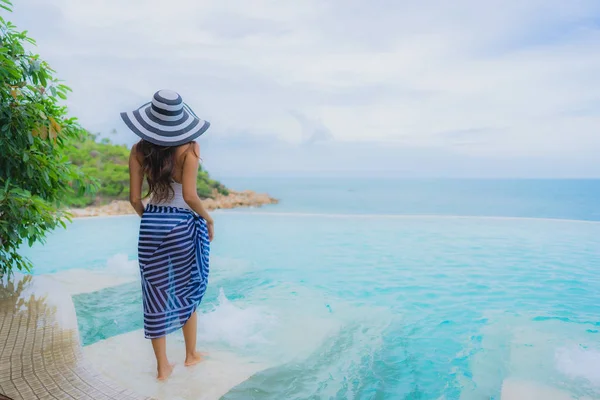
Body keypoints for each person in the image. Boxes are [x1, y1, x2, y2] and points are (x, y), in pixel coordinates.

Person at [122, 89, 214, 380]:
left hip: (151, 224)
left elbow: (135, 200)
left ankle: (163, 368)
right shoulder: (190, 149)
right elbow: (189, 196)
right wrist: (209, 219)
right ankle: (191, 356)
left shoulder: (138, 150)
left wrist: (152, 221)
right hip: (182, 225)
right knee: (186, 287)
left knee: (155, 293)